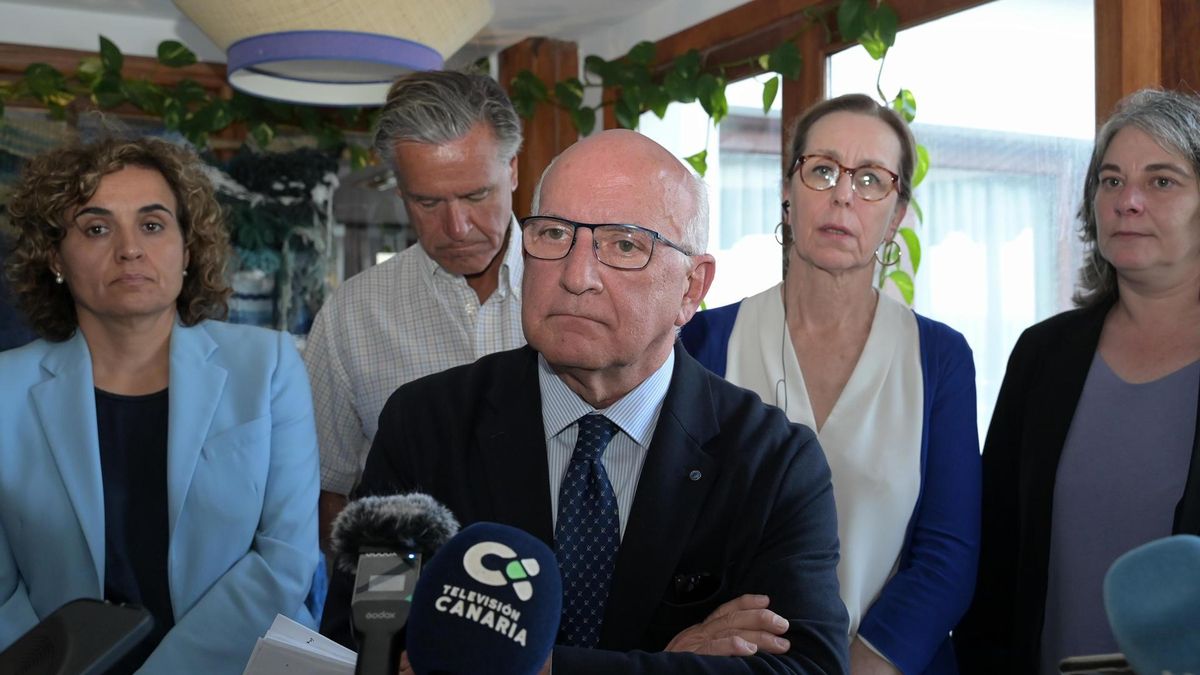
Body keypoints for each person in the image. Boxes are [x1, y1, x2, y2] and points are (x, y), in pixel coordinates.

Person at [321, 129, 849, 674]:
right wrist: (665, 664)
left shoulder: (773, 462)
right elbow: (365, 646)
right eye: (552, 234)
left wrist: (537, 668)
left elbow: (809, 669)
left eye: (624, 244)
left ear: (692, 288)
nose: (576, 277)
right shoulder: (424, 426)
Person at [682, 93, 981, 675]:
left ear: (896, 215)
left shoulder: (940, 358)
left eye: (871, 179)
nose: (844, 193)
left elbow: (948, 555)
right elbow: (674, 531)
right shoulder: (703, 342)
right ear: (788, 195)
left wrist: (860, 665)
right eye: (822, 170)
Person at [0, 137, 320, 674]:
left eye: (152, 225)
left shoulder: (267, 368)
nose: (129, 249)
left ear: (188, 247)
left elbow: (285, 561)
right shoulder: (6, 389)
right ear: (54, 256)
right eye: (96, 228)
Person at [954, 88, 1200, 674]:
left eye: (1161, 181)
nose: (1128, 201)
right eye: (1110, 181)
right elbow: (995, 560)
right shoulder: (1042, 356)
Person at [304, 70, 525, 552]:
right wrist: (364, 614)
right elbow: (327, 490)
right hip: (400, 601)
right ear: (400, 192)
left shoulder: (574, 290)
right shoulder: (351, 316)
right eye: (427, 201)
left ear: (512, 169)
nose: (457, 226)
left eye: (475, 195)